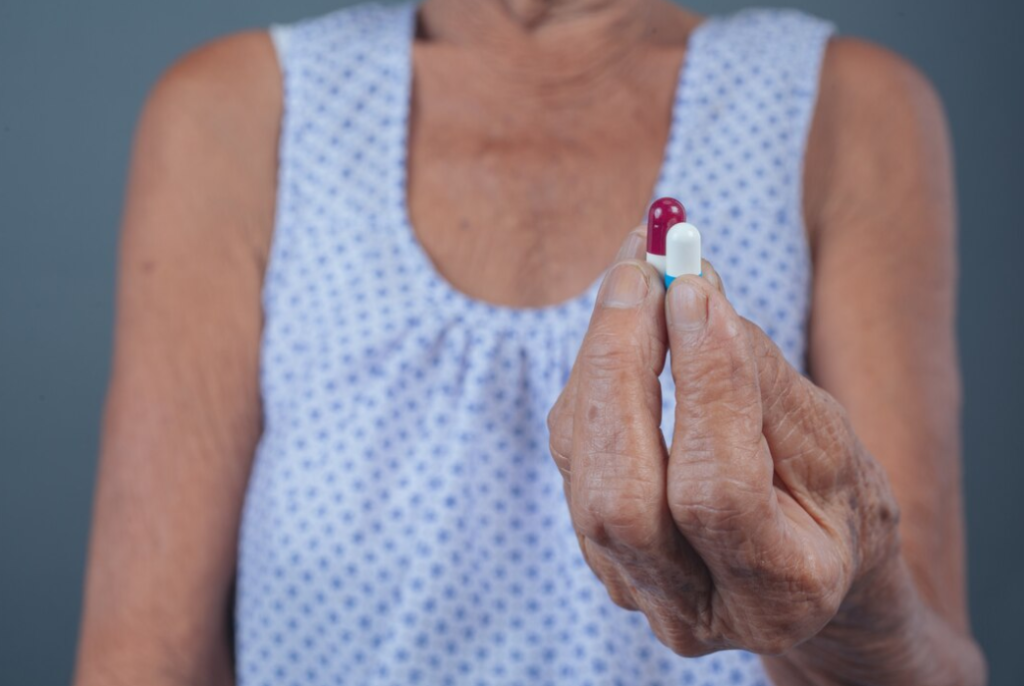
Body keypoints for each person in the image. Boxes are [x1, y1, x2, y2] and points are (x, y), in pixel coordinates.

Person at [73, 0, 987, 684]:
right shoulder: (239, 112)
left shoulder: (845, 105)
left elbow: (931, 660)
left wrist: (845, 600)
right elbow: (141, 658)